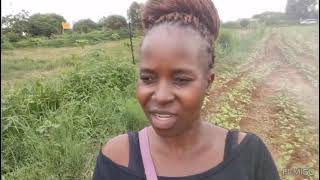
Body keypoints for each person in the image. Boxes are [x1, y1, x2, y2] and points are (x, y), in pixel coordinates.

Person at [92, 0, 280, 179]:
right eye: (148, 78)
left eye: (181, 80)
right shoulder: (116, 159)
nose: (162, 96)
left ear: (208, 82)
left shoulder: (249, 156)